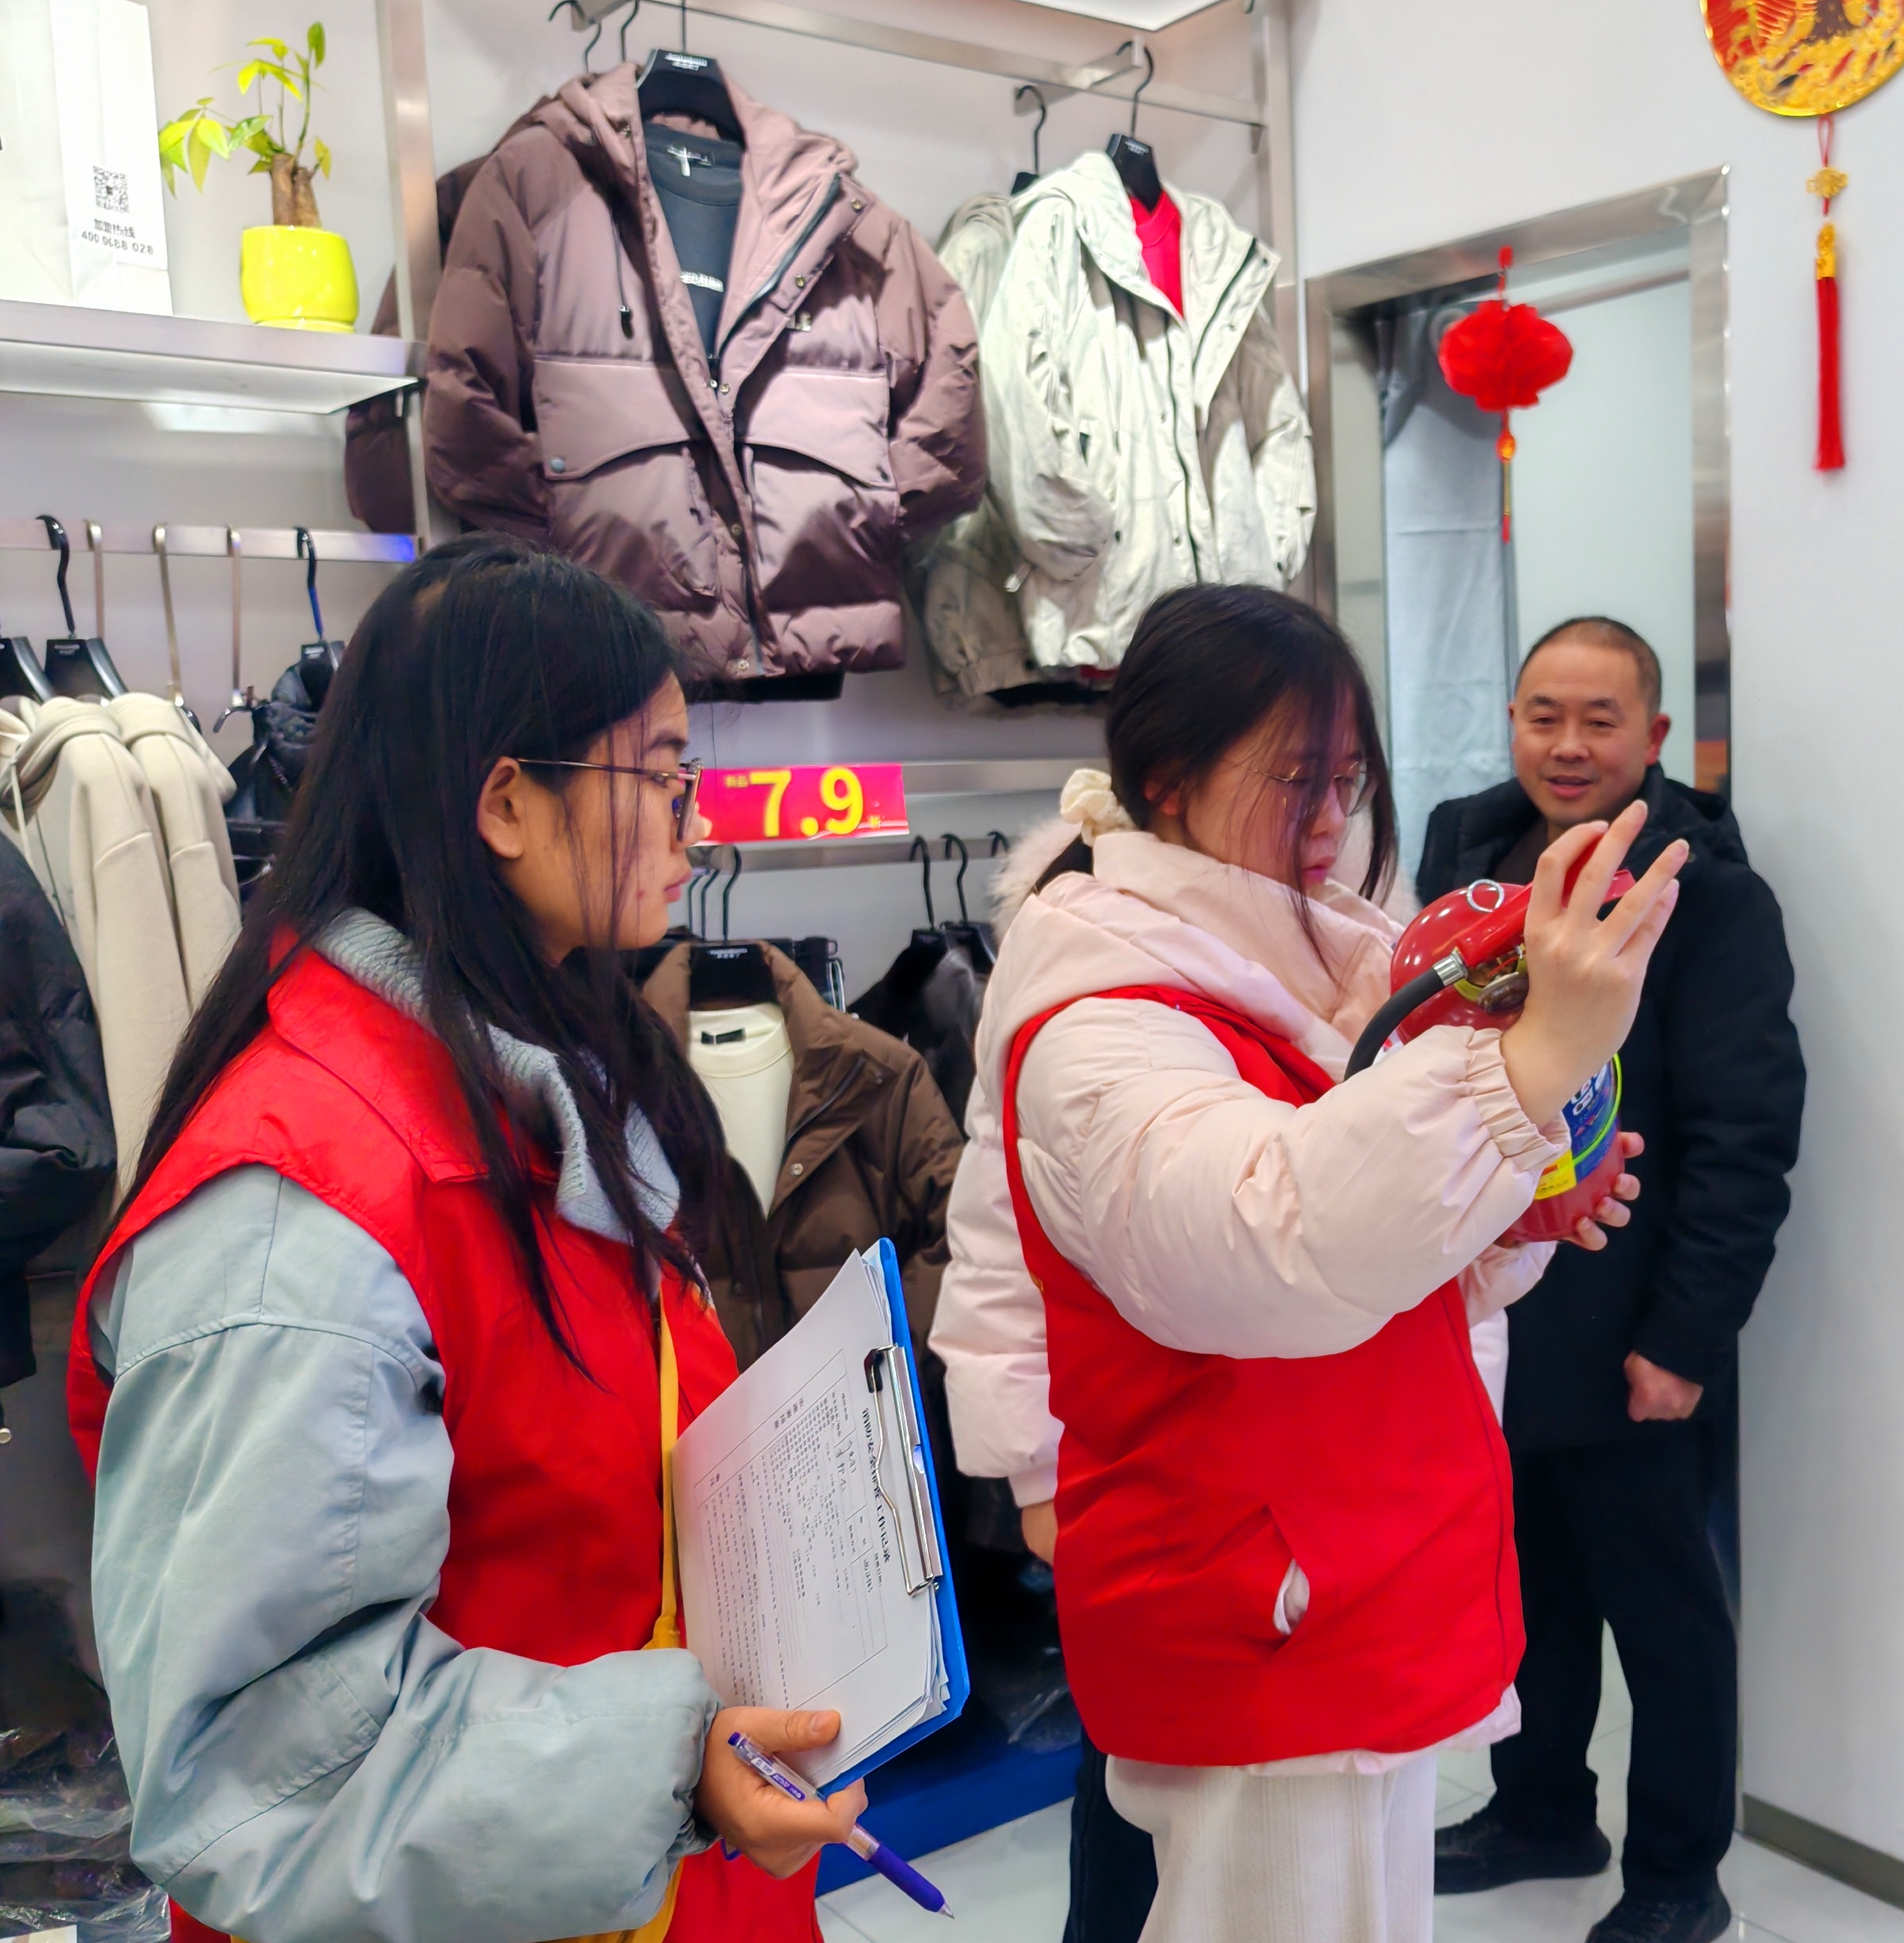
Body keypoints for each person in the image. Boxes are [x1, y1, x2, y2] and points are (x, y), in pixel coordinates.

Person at [66, 537, 866, 1943]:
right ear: (506, 803)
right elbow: (261, 1771)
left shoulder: (539, 1083)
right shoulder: (296, 1210)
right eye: (660, 779)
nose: (690, 832)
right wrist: (665, 1765)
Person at [930, 582, 1683, 1943]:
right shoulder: (1109, 1012)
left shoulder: (1303, 955)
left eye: (1346, 780)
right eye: (1294, 780)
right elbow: (1273, 1240)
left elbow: (1362, 1247)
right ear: (1165, 777)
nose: (1331, 819)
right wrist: (1525, 1069)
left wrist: (1500, 1208)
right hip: (1262, 1586)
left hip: (1337, 1554)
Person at [1417, 618, 1804, 1943]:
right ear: (1512, 722)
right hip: (1492, 1312)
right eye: (1544, 715)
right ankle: (1541, 1811)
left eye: (1599, 720)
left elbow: (1746, 1140)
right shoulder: (1467, 861)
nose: (1567, 745)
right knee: (1524, 1592)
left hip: (1634, 1324)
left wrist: (1685, 1340)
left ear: (1655, 737)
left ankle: (1679, 1875)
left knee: (1664, 1616)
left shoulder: (1713, 899)